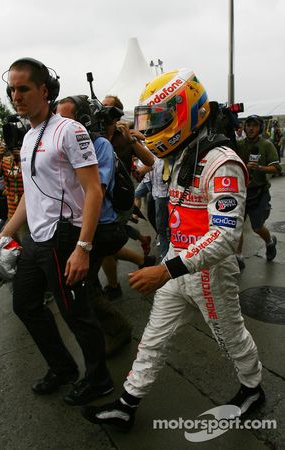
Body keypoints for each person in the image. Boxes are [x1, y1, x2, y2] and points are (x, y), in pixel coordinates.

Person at [81, 68, 264, 429]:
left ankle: (253, 388)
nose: (149, 128)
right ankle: (127, 403)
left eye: (157, 119)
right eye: (146, 120)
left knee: (230, 338)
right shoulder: (180, 154)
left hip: (206, 273)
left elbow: (226, 235)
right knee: (152, 339)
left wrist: (166, 269)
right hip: (176, 264)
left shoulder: (221, 161)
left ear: (185, 110)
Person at [0, 57, 113, 405]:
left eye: (23, 88)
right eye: (12, 90)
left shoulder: (70, 130)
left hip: (65, 239)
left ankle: (100, 381)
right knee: (24, 305)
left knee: (77, 315)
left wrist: (84, 247)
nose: (16, 96)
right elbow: (29, 198)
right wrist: (3, 234)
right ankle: (63, 368)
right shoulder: (31, 135)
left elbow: (94, 190)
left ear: (44, 91)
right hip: (37, 239)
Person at [56, 95, 132, 357]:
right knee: (85, 284)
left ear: (85, 120)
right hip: (84, 225)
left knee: (82, 286)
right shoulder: (68, 145)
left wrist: (83, 245)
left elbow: (95, 191)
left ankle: (118, 330)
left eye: (66, 118)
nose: (59, 124)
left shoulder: (99, 145)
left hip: (101, 226)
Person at [101, 95, 156, 300]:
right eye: (102, 106)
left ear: (117, 113)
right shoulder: (94, 134)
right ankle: (142, 260)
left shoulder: (126, 133)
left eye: (108, 107)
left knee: (105, 245)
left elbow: (150, 159)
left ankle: (114, 286)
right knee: (107, 243)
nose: (103, 110)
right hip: (101, 196)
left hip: (120, 197)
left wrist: (131, 138)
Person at [236, 115, 281, 267]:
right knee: (237, 225)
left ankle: (269, 242)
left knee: (256, 226)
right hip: (241, 192)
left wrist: (260, 168)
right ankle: (238, 257)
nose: (250, 128)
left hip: (259, 192)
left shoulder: (266, 145)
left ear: (260, 128)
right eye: (248, 125)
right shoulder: (239, 144)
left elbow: (276, 167)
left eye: (254, 125)